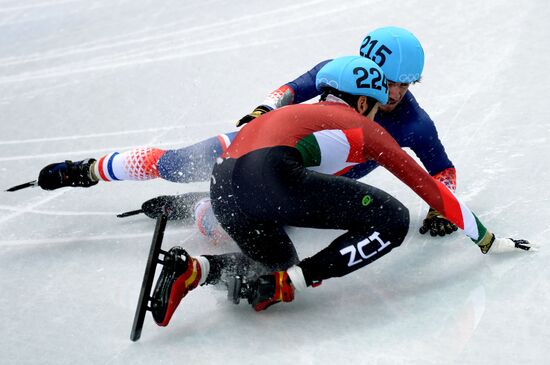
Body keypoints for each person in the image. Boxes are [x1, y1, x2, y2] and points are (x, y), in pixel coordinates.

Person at [148, 56, 533, 328]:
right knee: (393, 219)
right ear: (362, 101)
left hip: (223, 186)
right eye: (376, 105)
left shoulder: (288, 111)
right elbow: (430, 189)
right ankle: (298, 279)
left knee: (275, 263)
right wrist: (488, 239)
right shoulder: (362, 125)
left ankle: (195, 270)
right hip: (271, 180)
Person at [35, 26, 457, 238]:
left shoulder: (414, 124)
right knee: (178, 163)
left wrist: (442, 208)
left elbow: (443, 169)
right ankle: (91, 170)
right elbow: (290, 90)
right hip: (275, 148)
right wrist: (261, 110)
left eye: (403, 85)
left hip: (306, 185)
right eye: (386, 81)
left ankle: (202, 207)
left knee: (240, 226)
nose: (391, 92)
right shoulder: (342, 72)